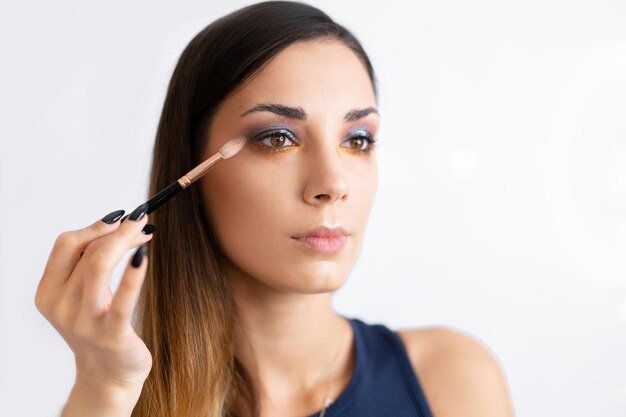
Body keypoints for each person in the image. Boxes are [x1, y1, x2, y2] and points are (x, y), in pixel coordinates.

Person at [35, 1, 515, 416]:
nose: (332, 185)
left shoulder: (451, 379)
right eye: (278, 138)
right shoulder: (117, 400)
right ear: (193, 168)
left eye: (358, 140)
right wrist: (104, 390)